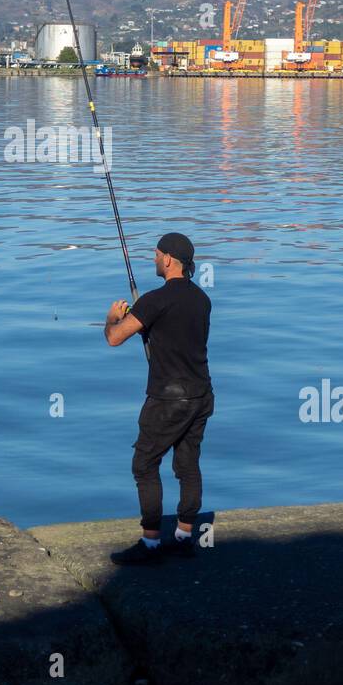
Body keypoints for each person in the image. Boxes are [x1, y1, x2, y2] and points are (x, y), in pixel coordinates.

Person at [103, 232, 213, 565]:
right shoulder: (202, 300)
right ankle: (183, 536)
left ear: (167, 259)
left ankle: (150, 543)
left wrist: (113, 316)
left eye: (155, 254)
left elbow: (114, 338)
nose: (153, 259)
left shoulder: (154, 301)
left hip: (168, 398)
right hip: (201, 394)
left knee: (145, 465)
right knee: (188, 466)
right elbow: (177, 336)